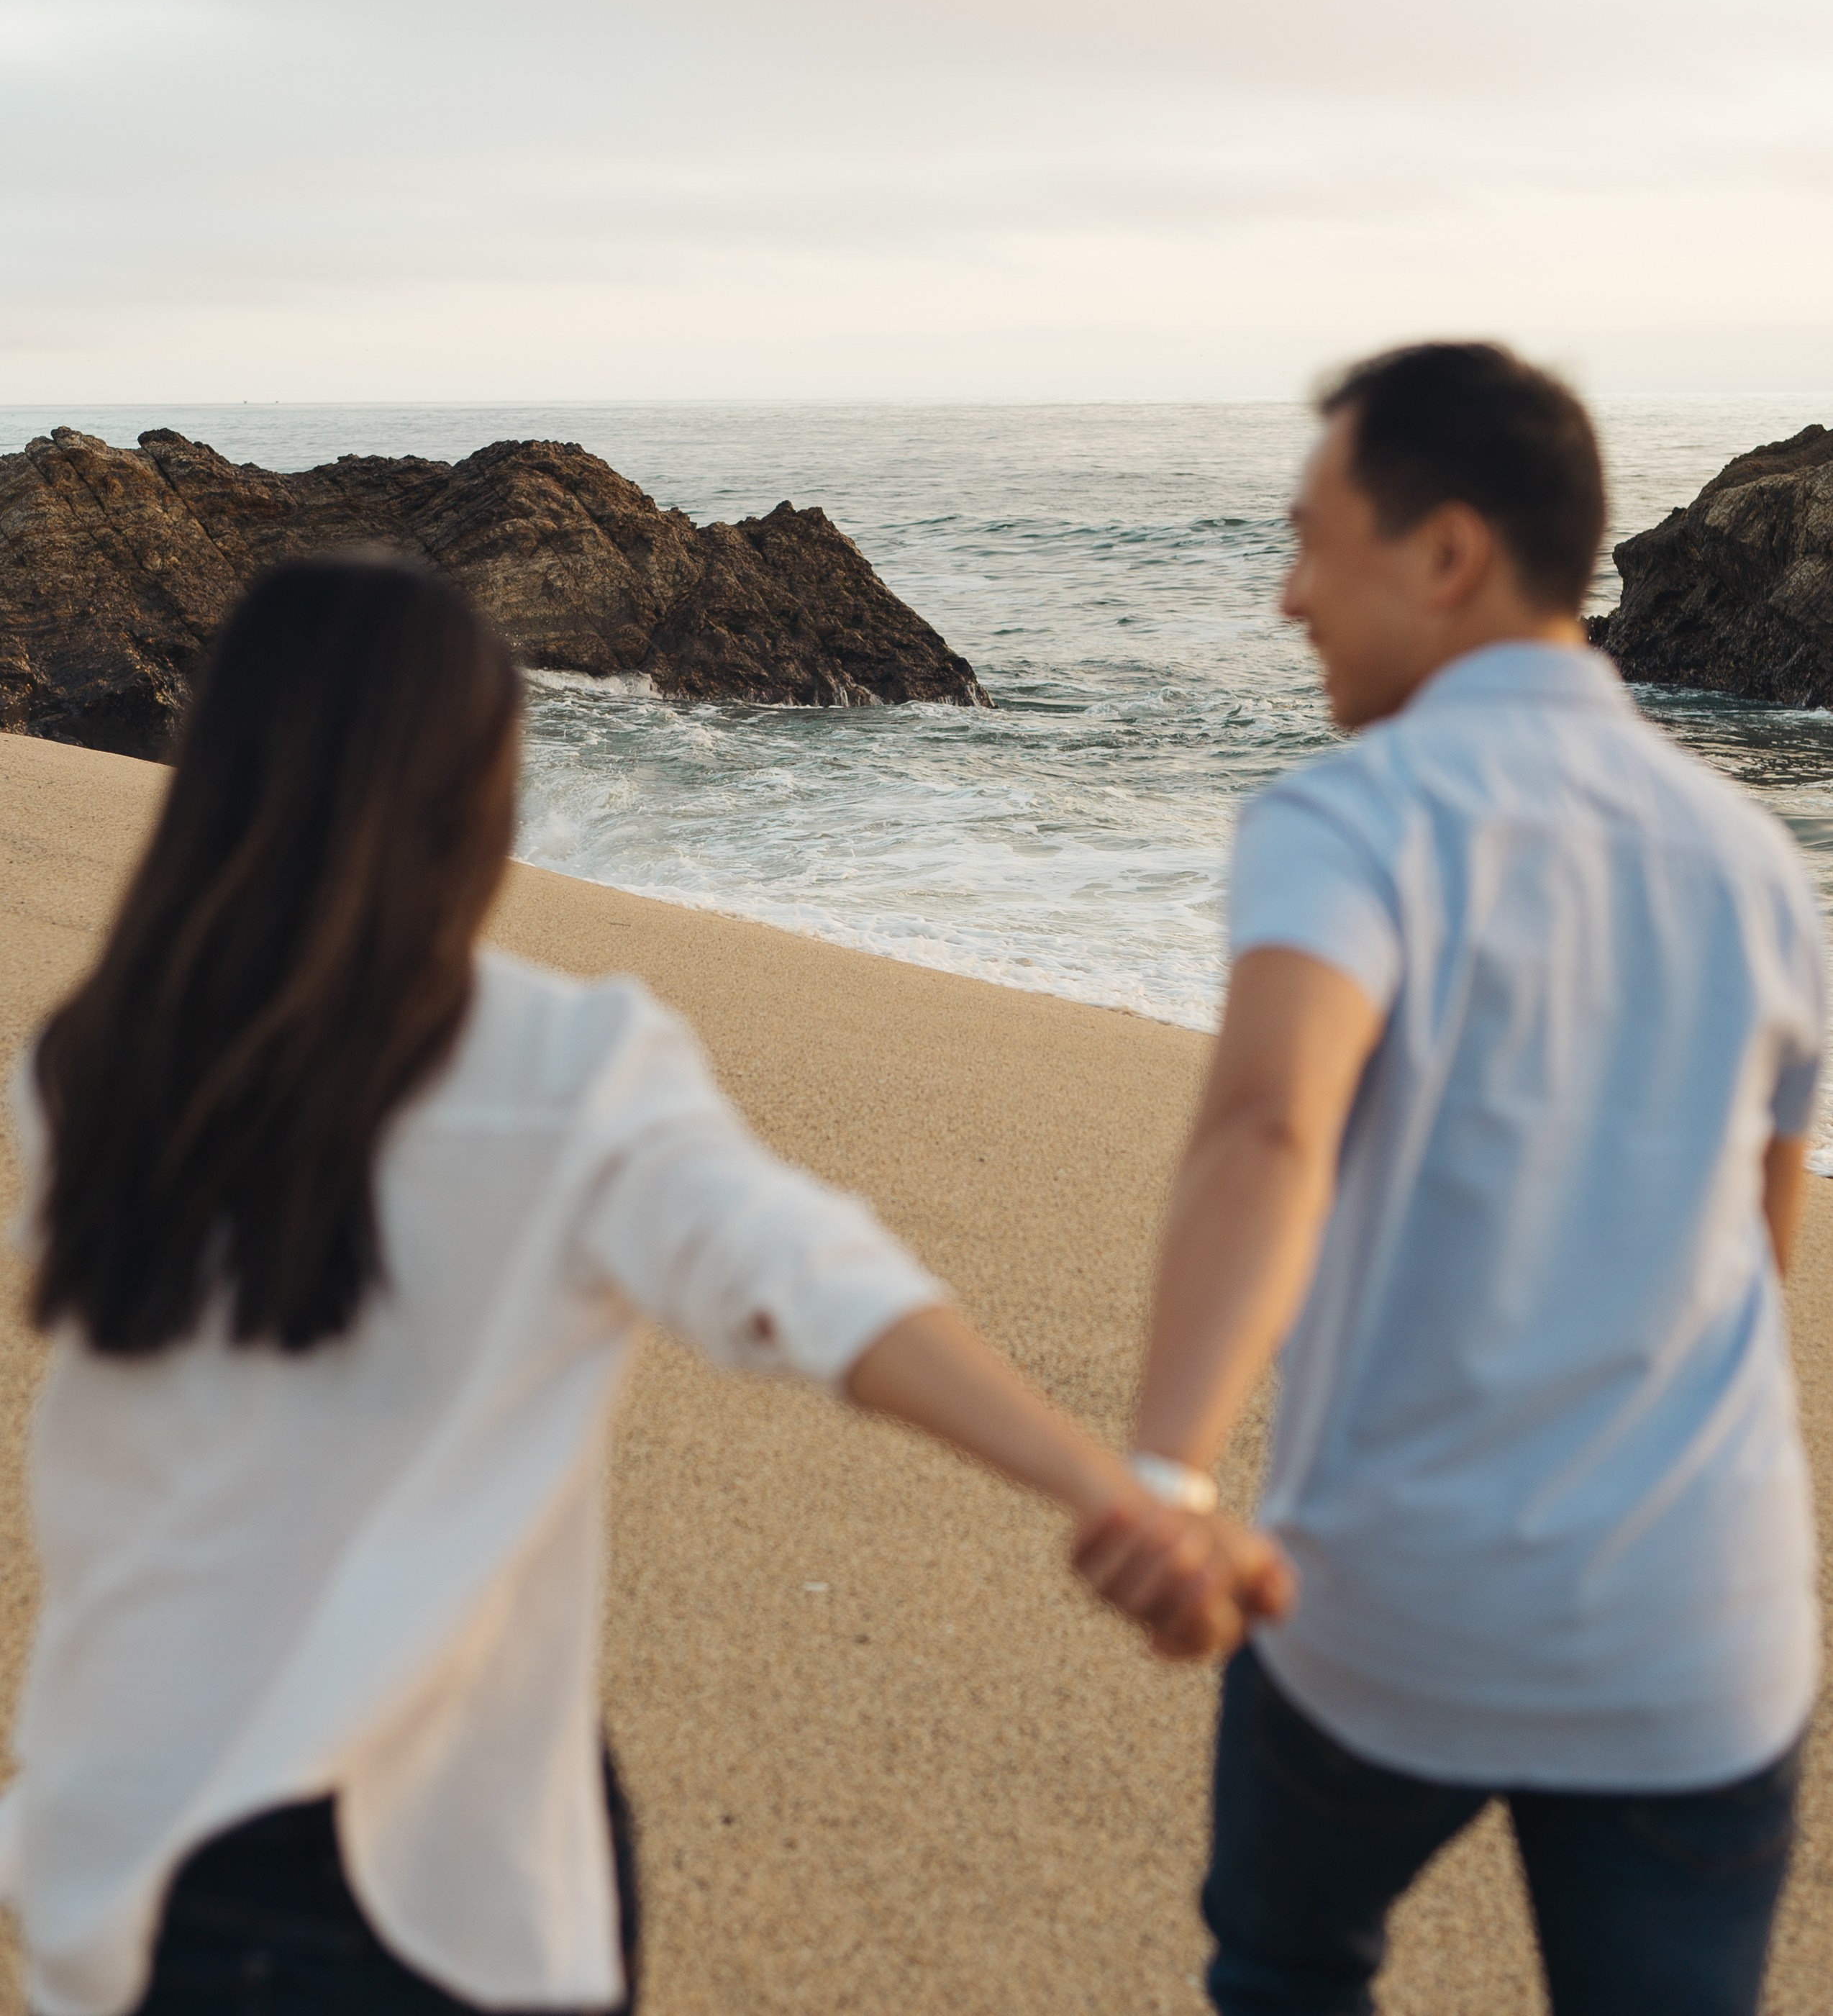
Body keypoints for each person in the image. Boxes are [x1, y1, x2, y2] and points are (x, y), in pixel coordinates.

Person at [0, 553, 1274, 2016]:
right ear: (467, 793)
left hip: (125, 1835)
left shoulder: (85, 1064)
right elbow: (813, 1285)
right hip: (423, 1873)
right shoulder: (562, 1071)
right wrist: (1116, 1495)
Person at [1078, 342, 1825, 2016]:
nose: (1286, 597)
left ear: (1444, 553)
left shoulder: (1350, 822)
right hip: (1690, 1628)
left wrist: (1167, 1470)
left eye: (1309, 540)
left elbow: (1270, 1123)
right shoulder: (1758, 870)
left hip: (1384, 1610)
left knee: (1287, 1967)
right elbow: (1749, 1258)